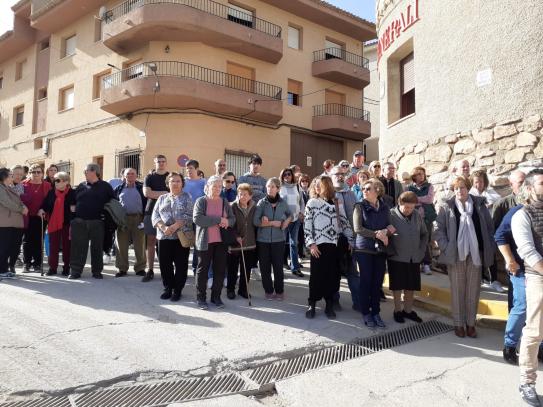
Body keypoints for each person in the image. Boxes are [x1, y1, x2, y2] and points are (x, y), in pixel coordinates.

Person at [434, 176, 495, 338]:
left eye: (462, 188)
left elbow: (490, 228)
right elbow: (438, 229)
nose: (459, 191)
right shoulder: (448, 206)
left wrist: (489, 245)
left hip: (476, 254)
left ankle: (471, 324)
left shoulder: (479, 205)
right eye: (456, 188)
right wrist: (446, 247)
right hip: (456, 255)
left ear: (468, 189)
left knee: (473, 291)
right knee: (457, 290)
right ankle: (458, 324)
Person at [494, 191, 542, 365]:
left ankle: (540, 347)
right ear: (530, 191)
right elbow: (499, 236)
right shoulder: (517, 212)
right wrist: (509, 260)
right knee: (522, 306)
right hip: (521, 270)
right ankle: (510, 345)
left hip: (539, 271)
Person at [511, 169, 543, 407]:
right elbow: (528, 252)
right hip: (538, 278)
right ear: (530, 188)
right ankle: (527, 382)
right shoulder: (521, 216)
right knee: (534, 332)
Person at [304, 176, 353, 319]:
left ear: (328, 186)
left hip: (335, 246)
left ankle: (329, 305)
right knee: (316, 276)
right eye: (316, 185)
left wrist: (350, 239)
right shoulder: (312, 202)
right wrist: (311, 244)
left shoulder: (337, 203)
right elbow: (307, 225)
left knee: (333, 277)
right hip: (318, 246)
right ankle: (312, 303)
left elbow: (344, 223)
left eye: (320, 185)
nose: (317, 187)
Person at [353, 179, 394, 328]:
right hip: (364, 249)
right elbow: (358, 229)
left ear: (377, 190)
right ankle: (366, 313)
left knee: (377, 282)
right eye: (363, 188)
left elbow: (391, 226)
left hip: (380, 250)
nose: (364, 190)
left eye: (368, 188)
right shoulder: (359, 206)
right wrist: (377, 234)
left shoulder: (385, 207)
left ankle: (376, 312)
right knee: (366, 281)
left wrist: (386, 232)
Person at [193, 176, 235, 309]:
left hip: (221, 242)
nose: (217, 188)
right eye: (214, 185)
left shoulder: (224, 202)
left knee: (220, 271)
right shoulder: (201, 201)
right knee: (202, 270)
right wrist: (218, 220)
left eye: (219, 186)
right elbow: (198, 219)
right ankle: (201, 299)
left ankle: (216, 297)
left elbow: (232, 219)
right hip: (205, 242)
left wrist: (227, 221)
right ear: (208, 187)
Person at [69, 163, 115, 279]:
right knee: (78, 247)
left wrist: (107, 215)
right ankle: (75, 271)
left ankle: (97, 271)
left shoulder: (106, 186)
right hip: (79, 222)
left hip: (97, 222)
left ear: (94, 171)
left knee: (97, 248)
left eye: (86, 171)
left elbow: (114, 202)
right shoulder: (81, 186)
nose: (84, 173)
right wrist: (73, 209)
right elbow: (73, 201)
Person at [152, 172, 193, 301]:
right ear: (168, 183)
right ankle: (168, 288)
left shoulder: (187, 197)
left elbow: (189, 215)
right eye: (172, 181)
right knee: (165, 264)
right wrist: (164, 228)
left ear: (182, 183)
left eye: (178, 181)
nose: (175, 183)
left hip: (180, 237)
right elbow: (155, 215)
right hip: (164, 237)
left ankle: (178, 290)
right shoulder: (162, 198)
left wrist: (174, 226)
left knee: (181, 264)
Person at [387, 191, 427, 323]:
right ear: (400, 204)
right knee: (397, 286)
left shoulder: (417, 215)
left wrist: (421, 251)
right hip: (397, 258)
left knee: (411, 286)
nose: (409, 210)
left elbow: (424, 234)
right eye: (407, 207)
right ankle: (397, 310)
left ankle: (408, 311)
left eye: (412, 207)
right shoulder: (391, 215)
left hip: (414, 257)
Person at [254, 177, 292, 300]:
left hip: (278, 240)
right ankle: (269, 291)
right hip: (263, 241)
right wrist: (271, 223)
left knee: (278, 268)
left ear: (278, 189)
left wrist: (286, 221)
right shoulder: (261, 203)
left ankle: (280, 291)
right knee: (265, 268)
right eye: (268, 187)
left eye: (272, 187)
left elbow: (290, 215)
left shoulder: (283, 203)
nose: (270, 189)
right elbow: (255, 221)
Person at [493, 169, 526, 307]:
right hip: (513, 257)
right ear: (510, 184)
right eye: (520, 183)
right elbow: (496, 233)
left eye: (525, 181)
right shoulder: (502, 204)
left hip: (531, 256)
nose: (524, 185)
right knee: (515, 298)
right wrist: (506, 257)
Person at [330, 165, 360, 311]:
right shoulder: (328, 193)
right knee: (334, 272)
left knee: (352, 271)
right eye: (337, 174)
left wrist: (353, 238)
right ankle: (335, 300)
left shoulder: (351, 194)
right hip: (333, 240)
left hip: (350, 238)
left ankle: (358, 301)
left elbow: (355, 217)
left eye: (342, 174)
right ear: (331, 176)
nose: (340, 176)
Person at [470, 169, 504, 292]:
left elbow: (498, 201)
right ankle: (481, 279)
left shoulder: (490, 193)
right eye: (475, 182)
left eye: (480, 181)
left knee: (490, 253)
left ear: (485, 182)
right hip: (476, 229)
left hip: (490, 228)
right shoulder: (470, 195)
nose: (477, 184)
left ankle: (493, 280)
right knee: (478, 254)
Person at [39, 171, 75, 276]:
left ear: (66, 182)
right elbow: (45, 204)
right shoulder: (51, 193)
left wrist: (75, 208)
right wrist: (41, 209)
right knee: (53, 247)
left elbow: (78, 205)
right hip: (53, 223)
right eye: (55, 180)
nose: (56, 182)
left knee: (67, 247)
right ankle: (52, 268)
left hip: (67, 223)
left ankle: (66, 268)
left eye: (58, 180)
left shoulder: (72, 193)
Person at [114, 168, 147, 278]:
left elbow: (147, 202)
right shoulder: (118, 189)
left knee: (140, 244)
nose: (130, 175)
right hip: (122, 220)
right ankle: (122, 269)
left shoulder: (141, 187)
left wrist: (144, 218)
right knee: (121, 244)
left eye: (133, 173)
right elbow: (114, 204)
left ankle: (140, 269)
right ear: (123, 176)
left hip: (139, 219)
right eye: (128, 174)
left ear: (136, 175)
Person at [226, 183, 257, 299]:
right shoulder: (231, 207)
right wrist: (235, 236)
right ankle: (230, 290)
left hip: (249, 243)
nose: (242, 196)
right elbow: (228, 225)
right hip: (235, 244)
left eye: (245, 194)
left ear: (250, 196)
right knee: (232, 269)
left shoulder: (254, 207)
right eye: (240, 194)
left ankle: (243, 290)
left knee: (246, 269)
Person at [142, 155, 169, 282]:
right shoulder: (149, 177)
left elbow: (175, 193)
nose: (161, 163)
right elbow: (147, 193)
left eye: (163, 161)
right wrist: (165, 193)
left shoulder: (170, 177)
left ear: (166, 163)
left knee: (165, 242)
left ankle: (166, 270)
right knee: (151, 242)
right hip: (150, 211)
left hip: (168, 213)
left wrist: (156, 193)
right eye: (159, 161)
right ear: (155, 162)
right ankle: (150, 270)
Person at [21, 164, 52, 273]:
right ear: (30, 173)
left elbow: (49, 200)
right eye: (33, 172)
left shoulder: (47, 185)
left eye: (38, 172)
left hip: (41, 216)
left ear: (42, 173)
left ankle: (37, 263)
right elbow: (18, 198)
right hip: (27, 216)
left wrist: (43, 209)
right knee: (27, 240)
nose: (36, 174)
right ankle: (27, 263)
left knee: (39, 240)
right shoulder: (23, 184)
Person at [408, 166, 436, 275]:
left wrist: (417, 199)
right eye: (418, 174)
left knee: (426, 240)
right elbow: (409, 200)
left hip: (427, 218)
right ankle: (417, 263)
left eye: (422, 173)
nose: (420, 176)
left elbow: (429, 199)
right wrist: (419, 200)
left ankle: (427, 264)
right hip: (414, 218)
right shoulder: (409, 187)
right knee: (415, 240)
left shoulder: (429, 186)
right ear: (414, 176)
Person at [0, 168, 27, 278]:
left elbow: (18, 200)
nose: (13, 177)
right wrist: (21, 209)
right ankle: (1, 270)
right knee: (3, 247)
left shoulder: (8, 187)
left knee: (10, 247)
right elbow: (7, 202)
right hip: (5, 223)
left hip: (13, 222)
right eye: (10, 175)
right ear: (4, 177)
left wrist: (23, 206)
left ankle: (5, 269)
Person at [279, 167, 305, 278]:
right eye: (285, 174)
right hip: (284, 220)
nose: (287, 176)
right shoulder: (280, 187)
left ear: (292, 175)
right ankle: (279, 268)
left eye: (289, 174)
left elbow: (301, 202)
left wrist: (301, 213)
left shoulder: (297, 187)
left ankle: (295, 268)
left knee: (294, 244)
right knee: (281, 244)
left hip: (296, 220)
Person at [297, 173, 311, 259]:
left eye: (306, 181)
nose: (304, 183)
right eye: (302, 181)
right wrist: (300, 214)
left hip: (309, 217)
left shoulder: (310, 191)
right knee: (300, 236)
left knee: (306, 235)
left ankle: (304, 252)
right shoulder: (298, 191)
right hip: (301, 216)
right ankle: (300, 253)